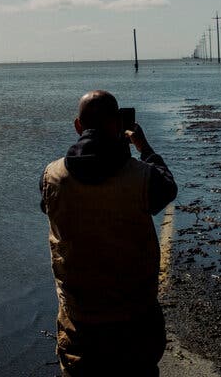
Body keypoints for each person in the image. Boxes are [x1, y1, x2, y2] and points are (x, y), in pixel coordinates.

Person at [40, 90, 177, 376]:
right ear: (117, 124)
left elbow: (47, 206)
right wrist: (144, 147)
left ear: (78, 126)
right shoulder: (141, 176)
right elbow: (167, 188)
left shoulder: (51, 176)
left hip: (79, 317)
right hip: (135, 317)